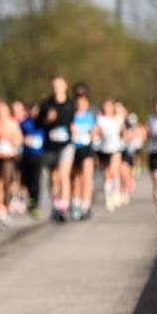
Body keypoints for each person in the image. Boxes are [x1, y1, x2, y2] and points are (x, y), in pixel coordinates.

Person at [38, 76, 75, 223]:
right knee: (53, 177)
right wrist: (47, 119)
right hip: (50, 146)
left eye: (59, 86)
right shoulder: (46, 105)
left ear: (65, 86)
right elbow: (38, 124)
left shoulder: (71, 104)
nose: (56, 88)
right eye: (54, 86)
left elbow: (76, 120)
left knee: (63, 174)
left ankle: (64, 206)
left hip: (67, 144)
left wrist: (74, 127)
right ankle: (55, 203)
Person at [0, 99, 23, 227]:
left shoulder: (12, 123)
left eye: (3, 110)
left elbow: (18, 139)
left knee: (7, 183)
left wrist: (12, 140)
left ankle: (5, 207)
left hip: (8, 156)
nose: (1, 113)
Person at [69, 86, 97, 221]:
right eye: (79, 103)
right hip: (74, 149)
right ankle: (75, 204)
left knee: (87, 177)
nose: (81, 105)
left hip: (87, 149)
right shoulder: (71, 116)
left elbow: (95, 131)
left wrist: (94, 134)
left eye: (84, 103)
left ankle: (86, 205)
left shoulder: (90, 116)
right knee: (76, 179)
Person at [95, 99, 125, 212]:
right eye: (105, 106)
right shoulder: (100, 119)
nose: (107, 109)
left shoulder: (118, 119)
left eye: (109, 106)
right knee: (106, 174)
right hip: (103, 148)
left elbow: (123, 132)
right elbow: (96, 131)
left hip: (115, 148)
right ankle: (108, 198)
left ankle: (116, 193)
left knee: (114, 172)